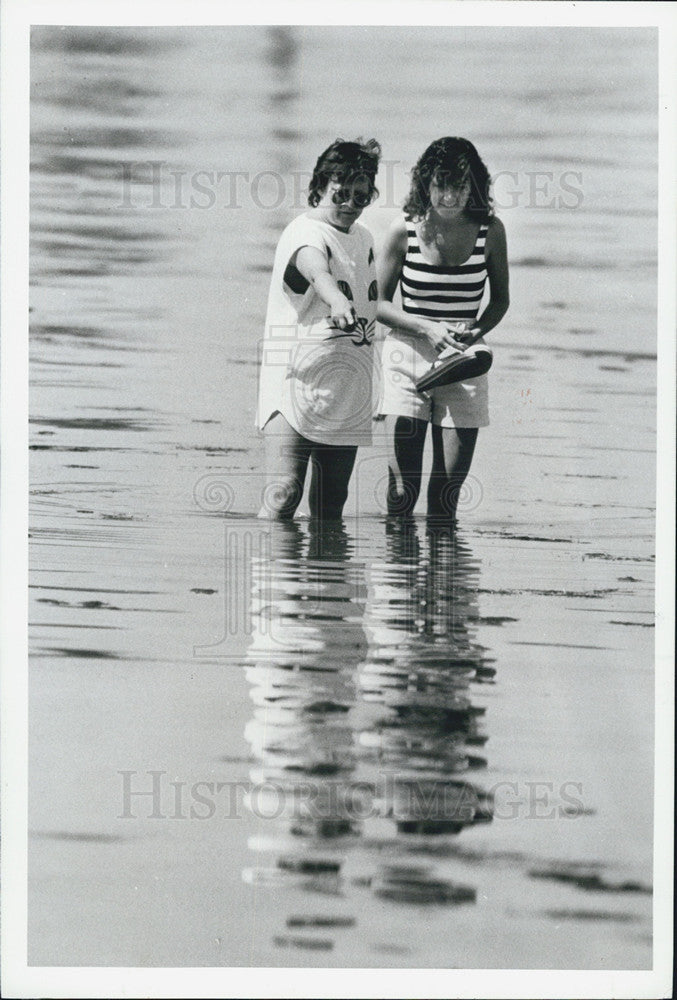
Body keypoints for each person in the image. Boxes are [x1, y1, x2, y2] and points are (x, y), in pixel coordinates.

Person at [377, 137, 509, 520]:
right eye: (441, 185)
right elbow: (379, 305)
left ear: (474, 186)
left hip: (464, 362)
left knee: (445, 499)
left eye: (460, 186)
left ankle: (441, 579)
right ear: (425, 184)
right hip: (407, 357)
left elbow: (500, 300)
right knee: (403, 491)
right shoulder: (403, 230)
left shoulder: (491, 231)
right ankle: (399, 576)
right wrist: (427, 328)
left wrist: (477, 328)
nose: (450, 197)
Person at [257, 138, 381, 519]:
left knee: (331, 504)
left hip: (347, 385)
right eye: (341, 193)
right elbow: (315, 268)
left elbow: (376, 306)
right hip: (296, 379)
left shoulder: (364, 239)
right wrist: (336, 299)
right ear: (320, 186)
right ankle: (273, 576)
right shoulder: (304, 230)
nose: (350, 205)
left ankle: (325, 578)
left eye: (361, 197)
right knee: (283, 494)